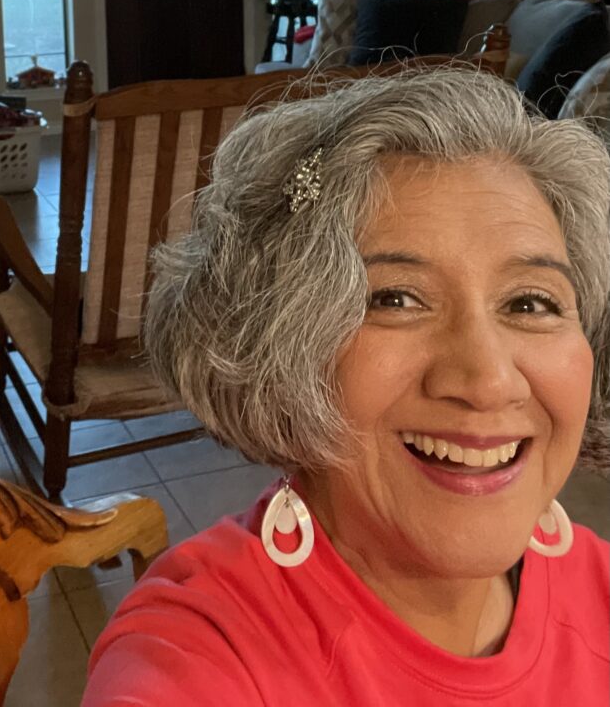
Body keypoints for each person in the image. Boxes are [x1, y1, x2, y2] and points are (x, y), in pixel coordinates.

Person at [82, 67, 610, 706]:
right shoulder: (205, 653)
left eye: (531, 303)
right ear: (282, 344)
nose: (488, 380)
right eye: (394, 298)